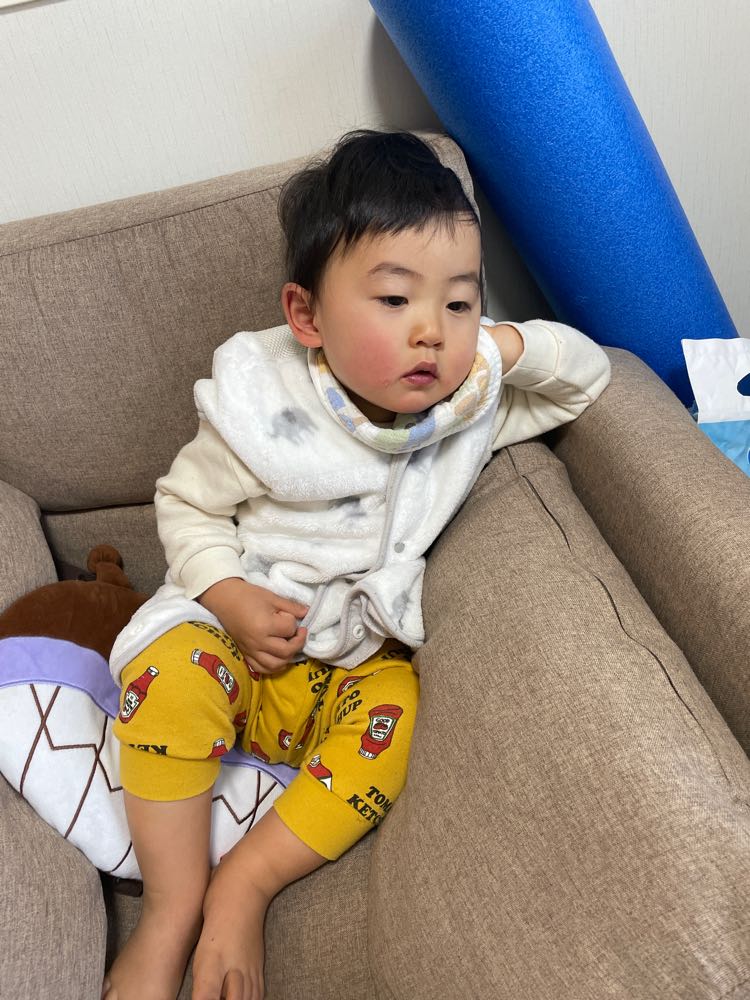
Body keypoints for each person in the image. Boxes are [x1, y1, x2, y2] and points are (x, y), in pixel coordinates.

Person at [102, 129, 611, 1000]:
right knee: (166, 677)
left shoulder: (467, 403)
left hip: (352, 662)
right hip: (237, 644)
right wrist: (228, 596)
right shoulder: (267, 405)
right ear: (307, 318)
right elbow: (185, 505)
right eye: (395, 298)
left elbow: (588, 380)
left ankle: (246, 882)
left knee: (399, 717)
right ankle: (172, 906)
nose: (431, 331)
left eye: (459, 301)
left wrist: (500, 348)